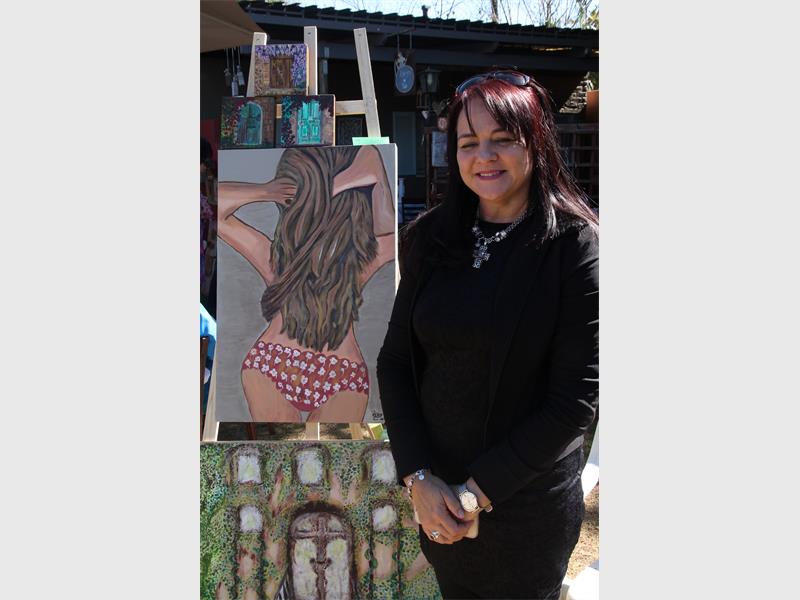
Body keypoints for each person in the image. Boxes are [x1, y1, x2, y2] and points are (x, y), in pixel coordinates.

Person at [377, 71, 599, 599]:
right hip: (437, 498)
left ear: (536, 142)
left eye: (503, 139)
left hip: (526, 512)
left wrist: (472, 495)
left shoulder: (573, 247)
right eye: (469, 142)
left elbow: (574, 402)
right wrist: (418, 478)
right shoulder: (430, 238)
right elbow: (396, 362)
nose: (484, 156)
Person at [218, 145, 395, 422]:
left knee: (308, 452)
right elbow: (216, 207)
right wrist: (270, 190)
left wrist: (324, 189)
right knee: (285, 451)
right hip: (300, 369)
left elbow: (386, 221)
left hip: (293, 367)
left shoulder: (355, 261)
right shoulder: (281, 260)